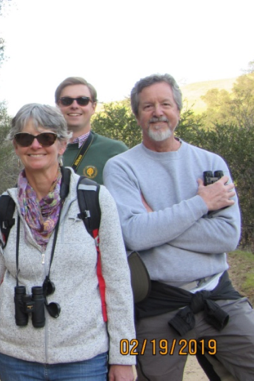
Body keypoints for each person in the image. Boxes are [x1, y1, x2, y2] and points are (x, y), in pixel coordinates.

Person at [103, 74, 254, 380]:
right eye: (147, 106)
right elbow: (134, 234)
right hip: (159, 306)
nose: (157, 112)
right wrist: (201, 205)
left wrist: (158, 220)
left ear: (178, 111)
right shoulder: (121, 167)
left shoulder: (211, 163)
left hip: (218, 298)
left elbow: (228, 236)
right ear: (137, 116)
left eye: (165, 104)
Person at [0, 103, 135, 381]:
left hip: (83, 359)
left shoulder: (95, 199)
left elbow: (119, 283)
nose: (35, 145)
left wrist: (125, 357)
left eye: (46, 138)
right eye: (25, 138)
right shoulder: (3, 206)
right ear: (16, 146)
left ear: (62, 145)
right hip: (14, 358)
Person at [55, 77, 127, 184]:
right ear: (57, 106)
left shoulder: (116, 151)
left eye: (82, 101)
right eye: (67, 101)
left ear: (93, 107)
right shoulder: (42, 148)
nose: (74, 106)